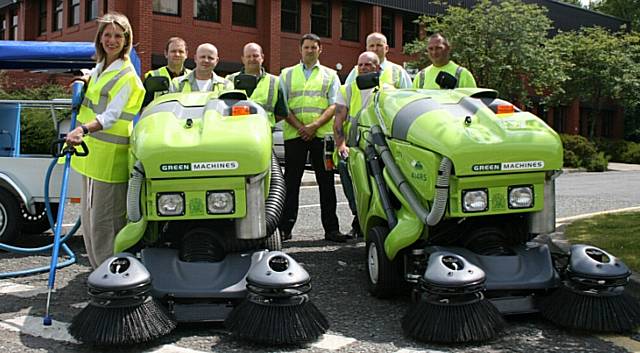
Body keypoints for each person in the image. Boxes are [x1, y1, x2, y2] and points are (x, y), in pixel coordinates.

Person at [65, 12, 145, 269]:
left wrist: (82, 130)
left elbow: (111, 116)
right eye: (107, 35)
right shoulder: (101, 68)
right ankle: (98, 273)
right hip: (90, 157)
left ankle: (113, 275)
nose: (112, 40)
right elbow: (94, 74)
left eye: (118, 36)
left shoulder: (128, 76)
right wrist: (83, 78)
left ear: (126, 40)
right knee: (89, 221)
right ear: (100, 39)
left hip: (110, 161)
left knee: (106, 223)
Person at [279, 33, 346, 243]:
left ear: (320, 50)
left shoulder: (330, 75)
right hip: (295, 135)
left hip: (322, 137)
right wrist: (301, 127)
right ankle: (285, 228)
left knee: (326, 183)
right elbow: (282, 105)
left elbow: (334, 104)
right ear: (300, 50)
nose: (310, 50)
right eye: (306, 47)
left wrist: (314, 125)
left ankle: (332, 229)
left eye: (313, 47)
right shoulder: (286, 74)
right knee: (291, 183)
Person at [334, 51, 387, 239]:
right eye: (361, 65)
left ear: (378, 68)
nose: (363, 68)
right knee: (345, 170)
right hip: (354, 148)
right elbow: (338, 122)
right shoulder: (347, 90)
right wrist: (341, 146)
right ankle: (358, 215)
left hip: (382, 149)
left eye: (368, 65)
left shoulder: (388, 90)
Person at [226, 42, 287, 127]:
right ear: (243, 59)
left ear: (262, 57)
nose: (252, 59)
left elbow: (281, 113)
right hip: (236, 131)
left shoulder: (275, 81)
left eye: (255, 56)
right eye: (248, 56)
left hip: (263, 133)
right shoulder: (229, 80)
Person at [344, 32, 412, 89]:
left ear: (386, 48)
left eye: (379, 45)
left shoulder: (398, 71)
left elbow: (408, 97)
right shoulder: (356, 71)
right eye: (371, 46)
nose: (375, 49)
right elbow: (346, 96)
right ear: (367, 48)